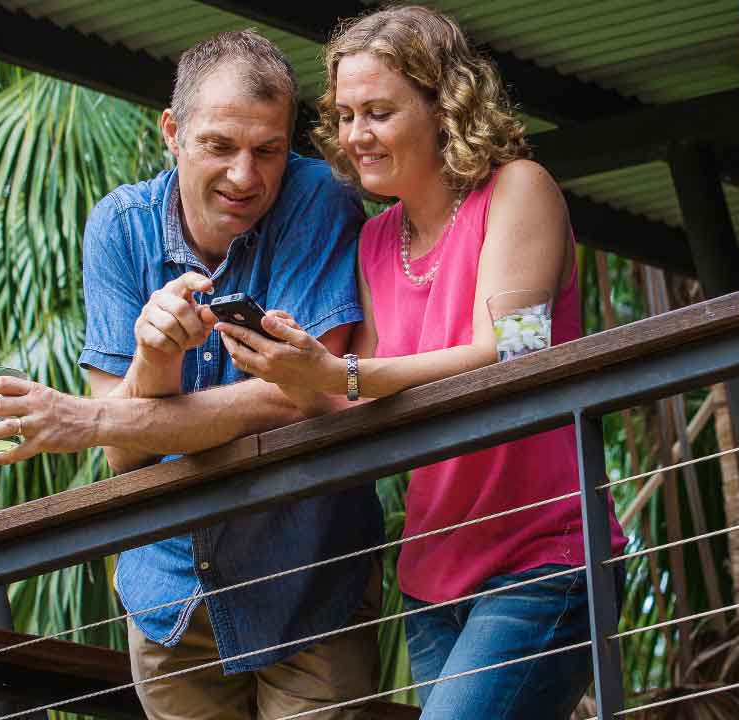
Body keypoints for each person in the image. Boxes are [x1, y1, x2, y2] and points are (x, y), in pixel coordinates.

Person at [213, 7, 627, 719]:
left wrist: (335, 374)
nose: (355, 136)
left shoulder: (518, 189)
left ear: (445, 107)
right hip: (433, 574)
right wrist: (289, 366)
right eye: (345, 115)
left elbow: (515, 351)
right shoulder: (377, 241)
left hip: (543, 558)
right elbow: (365, 396)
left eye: (379, 111)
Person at [0, 30, 382, 720]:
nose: (245, 176)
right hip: (169, 593)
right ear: (172, 134)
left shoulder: (320, 200)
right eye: (220, 146)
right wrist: (155, 357)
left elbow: (306, 395)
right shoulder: (118, 227)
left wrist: (85, 417)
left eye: (267, 150)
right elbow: (128, 454)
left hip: (308, 573)